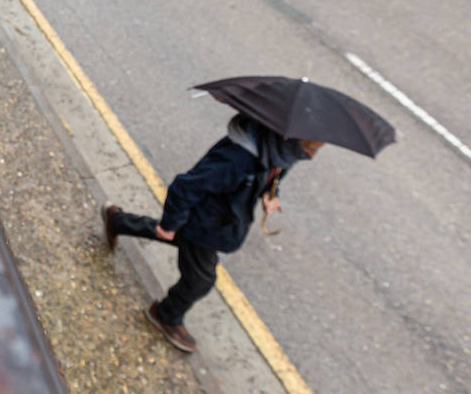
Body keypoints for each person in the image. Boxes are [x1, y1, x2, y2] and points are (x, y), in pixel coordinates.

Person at [102, 114, 324, 352]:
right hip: (206, 223)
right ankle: (165, 314)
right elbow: (186, 186)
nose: (311, 155)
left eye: (316, 149)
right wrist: (169, 223)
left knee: (179, 237)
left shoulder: (279, 153)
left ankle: (117, 221)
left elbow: (275, 175)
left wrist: (271, 193)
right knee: (200, 280)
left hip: (216, 221)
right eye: (309, 147)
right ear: (288, 137)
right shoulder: (238, 159)